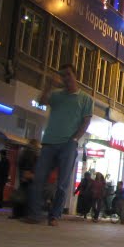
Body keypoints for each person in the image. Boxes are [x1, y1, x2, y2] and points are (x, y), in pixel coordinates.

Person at [23, 64, 91, 226]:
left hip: (68, 144)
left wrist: (75, 139)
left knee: (62, 183)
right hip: (49, 142)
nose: (65, 78)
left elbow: (86, 121)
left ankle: (54, 216)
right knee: (39, 178)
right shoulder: (56, 95)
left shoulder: (85, 99)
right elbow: (41, 101)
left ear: (75, 76)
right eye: (62, 75)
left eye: (68, 74)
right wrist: (48, 85)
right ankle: (34, 214)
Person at [11, 140, 39, 219]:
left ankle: (18, 213)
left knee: (22, 194)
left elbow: (19, 163)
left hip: (24, 176)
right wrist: (28, 173)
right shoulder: (31, 152)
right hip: (28, 176)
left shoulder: (24, 152)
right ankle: (22, 214)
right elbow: (29, 164)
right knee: (26, 195)